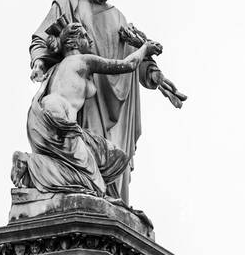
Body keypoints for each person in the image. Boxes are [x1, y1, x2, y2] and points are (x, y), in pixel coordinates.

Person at [29, 0, 186, 204]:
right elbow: (42, 40)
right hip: (84, 96)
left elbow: (135, 56)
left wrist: (155, 75)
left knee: (113, 161)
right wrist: (39, 60)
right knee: (85, 156)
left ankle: (108, 205)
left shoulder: (119, 18)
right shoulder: (67, 5)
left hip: (117, 103)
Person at [16, 21, 163, 200]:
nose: (90, 40)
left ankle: (33, 165)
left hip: (39, 116)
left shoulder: (57, 68)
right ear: (74, 42)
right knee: (95, 187)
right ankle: (29, 163)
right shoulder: (83, 61)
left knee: (116, 158)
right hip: (58, 117)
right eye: (85, 36)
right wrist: (145, 49)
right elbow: (127, 65)